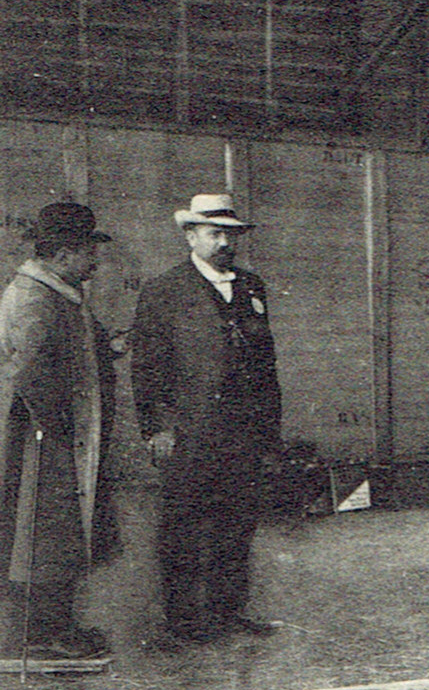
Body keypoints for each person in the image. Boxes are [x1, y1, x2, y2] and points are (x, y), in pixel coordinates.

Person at [132, 194, 282, 648]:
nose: (224, 243)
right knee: (183, 525)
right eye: (214, 234)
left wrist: (270, 432)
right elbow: (147, 367)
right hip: (190, 431)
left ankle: (228, 611)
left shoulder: (251, 287)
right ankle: (182, 620)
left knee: (236, 524)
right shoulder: (164, 291)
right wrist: (157, 427)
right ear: (190, 236)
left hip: (245, 432)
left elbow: (266, 366)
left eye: (229, 235)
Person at [0, 202, 117, 661]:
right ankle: (43, 635)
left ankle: (54, 627)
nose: (95, 261)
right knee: (43, 537)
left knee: (56, 535)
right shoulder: (34, 296)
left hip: (55, 437)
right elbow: (26, 372)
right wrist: (63, 426)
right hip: (42, 441)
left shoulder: (57, 292)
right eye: (90, 251)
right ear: (65, 254)